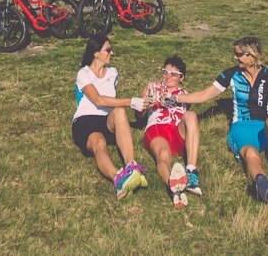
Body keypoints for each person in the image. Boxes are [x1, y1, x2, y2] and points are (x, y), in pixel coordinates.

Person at [176, 36, 268, 204]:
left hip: (266, 128)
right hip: (241, 128)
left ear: (252, 56)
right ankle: (263, 184)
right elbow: (204, 95)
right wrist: (174, 97)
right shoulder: (231, 74)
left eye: (239, 54)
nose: (235, 57)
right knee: (250, 153)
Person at [72, 34, 149, 199]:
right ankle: (119, 179)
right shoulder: (83, 73)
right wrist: (130, 101)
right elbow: (98, 100)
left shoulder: (113, 73)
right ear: (95, 53)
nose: (111, 53)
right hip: (85, 120)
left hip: (106, 120)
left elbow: (112, 102)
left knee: (120, 111)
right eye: (107, 50)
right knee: (99, 143)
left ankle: (132, 167)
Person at [138, 55, 203, 209]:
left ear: (182, 78)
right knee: (163, 155)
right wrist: (143, 103)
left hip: (176, 130)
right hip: (157, 128)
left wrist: (174, 97)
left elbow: (191, 108)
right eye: (165, 72)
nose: (168, 77)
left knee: (191, 115)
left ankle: (191, 172)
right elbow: (139, 116)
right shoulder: (152, 87)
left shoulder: (185, 94)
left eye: (173, 74)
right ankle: (172, 187)